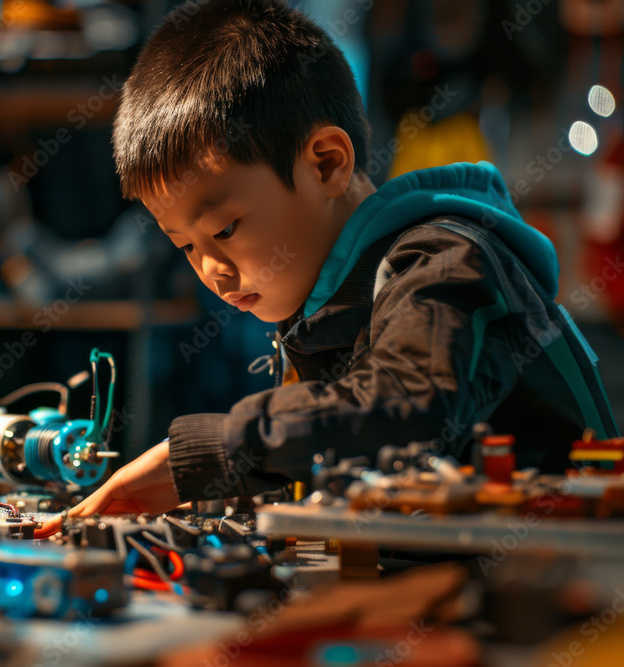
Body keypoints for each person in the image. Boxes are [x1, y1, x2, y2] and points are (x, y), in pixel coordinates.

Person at [51, 0, 619, 526]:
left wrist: (216, 447)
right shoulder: (324, 306)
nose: (212, 270)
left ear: (326, 164)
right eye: (187, 245)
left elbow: (406, 405)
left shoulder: (445, 261)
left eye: (224, 229)